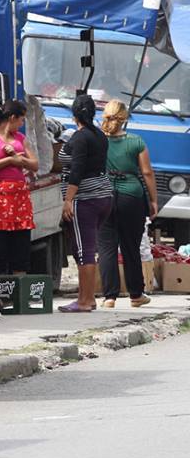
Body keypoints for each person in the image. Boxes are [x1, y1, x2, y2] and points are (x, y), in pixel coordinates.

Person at [97, 99, 155, 308]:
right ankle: (136, 294)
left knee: (106, 247)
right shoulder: (136, 141)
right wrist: (153, 200)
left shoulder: (98, 141)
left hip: (104, 195)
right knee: (131, 246)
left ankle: (109, 297)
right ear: (125, 118)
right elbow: (147, 172)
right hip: (131, 197)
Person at [57, 94, 113, 313]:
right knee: (85, 247)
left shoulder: (81, 138)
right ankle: (87, 298)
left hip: (85, 199)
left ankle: (85, 300)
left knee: (84, 250)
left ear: (74, 115)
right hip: (103, 195)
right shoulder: (100, 135)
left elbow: (77, 170)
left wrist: (68, 200)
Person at [0, 100, 39, 275]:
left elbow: (35, 164)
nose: (22, 124)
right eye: (21, 120)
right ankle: (0, 284)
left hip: (19, 198)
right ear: (12, 118)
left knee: (20, 244)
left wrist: (21, 160)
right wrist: (9, 160)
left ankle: (20, 282)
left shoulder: (20, 139)